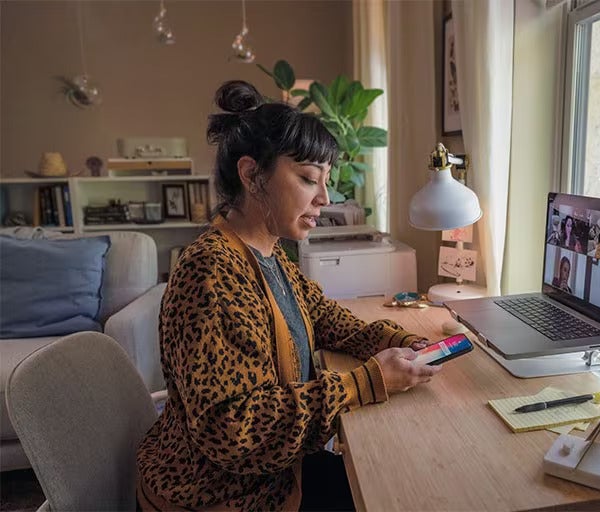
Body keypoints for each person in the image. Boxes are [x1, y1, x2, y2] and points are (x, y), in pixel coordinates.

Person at [136, 80, 441, 511]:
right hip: (225, 493)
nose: (325, 197)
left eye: (325, 181)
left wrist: (397, 341)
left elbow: (328, 320)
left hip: (275, 470)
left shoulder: (269, 253)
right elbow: (234, 432)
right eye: (307, 179)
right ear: (251, 174)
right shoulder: (211, 272)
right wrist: (366, 381)